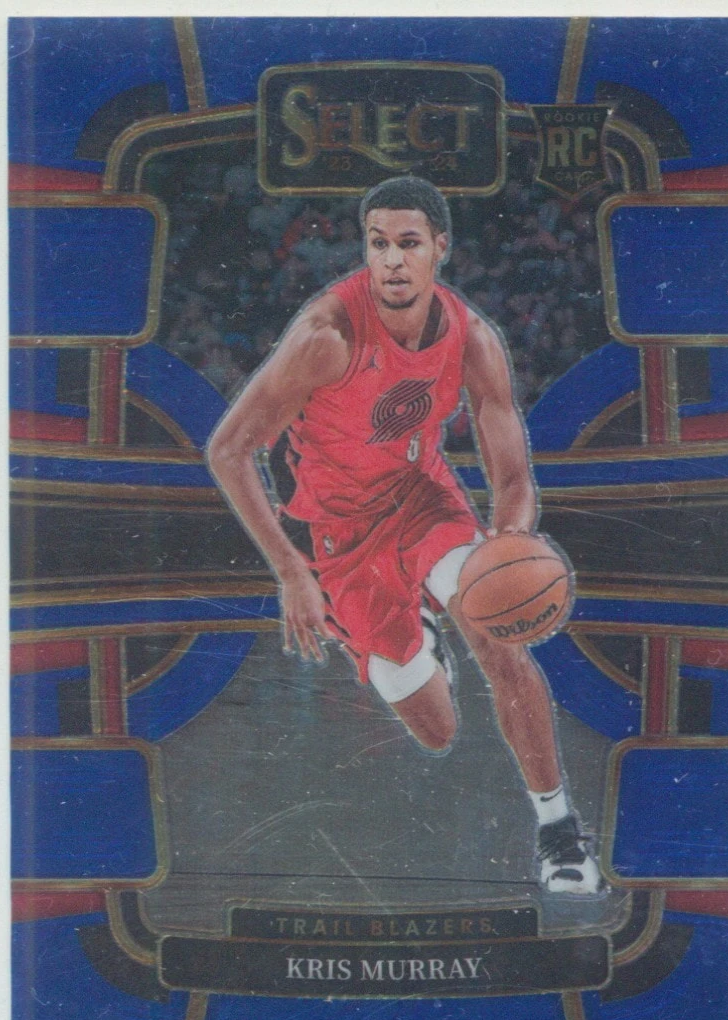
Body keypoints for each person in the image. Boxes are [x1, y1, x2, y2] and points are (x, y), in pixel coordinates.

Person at [207, 176, 601, 895]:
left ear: (438, 248)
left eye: (408, 243)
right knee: (437, 730)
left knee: (498, 640)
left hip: (422, 501)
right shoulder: (325, 339)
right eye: (378, 243)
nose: (392, 259)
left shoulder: (472, 340)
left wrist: (507, 545)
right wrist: (290, 572)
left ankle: (559, 832)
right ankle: (417, 624)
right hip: (335, 534)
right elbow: (229, 450)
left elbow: (513, 477)